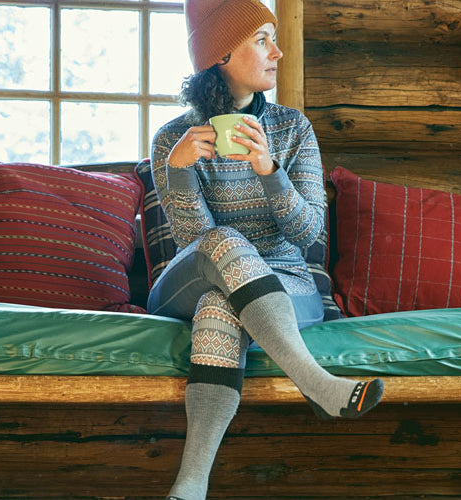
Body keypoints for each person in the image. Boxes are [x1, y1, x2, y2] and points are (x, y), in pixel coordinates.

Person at [148, 1, 384, 498]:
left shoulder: (293, 128)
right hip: (191, 278)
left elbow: (309, 234)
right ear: (221, 54)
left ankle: (189, 486)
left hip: (285, 283)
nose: (277, 52)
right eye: (262, 40)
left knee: (221, 306)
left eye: (274, 38)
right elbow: (196, 240)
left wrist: (271, 174)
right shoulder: (173, 140)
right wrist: (179, 170)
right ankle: (317, 385)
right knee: (222, 247)